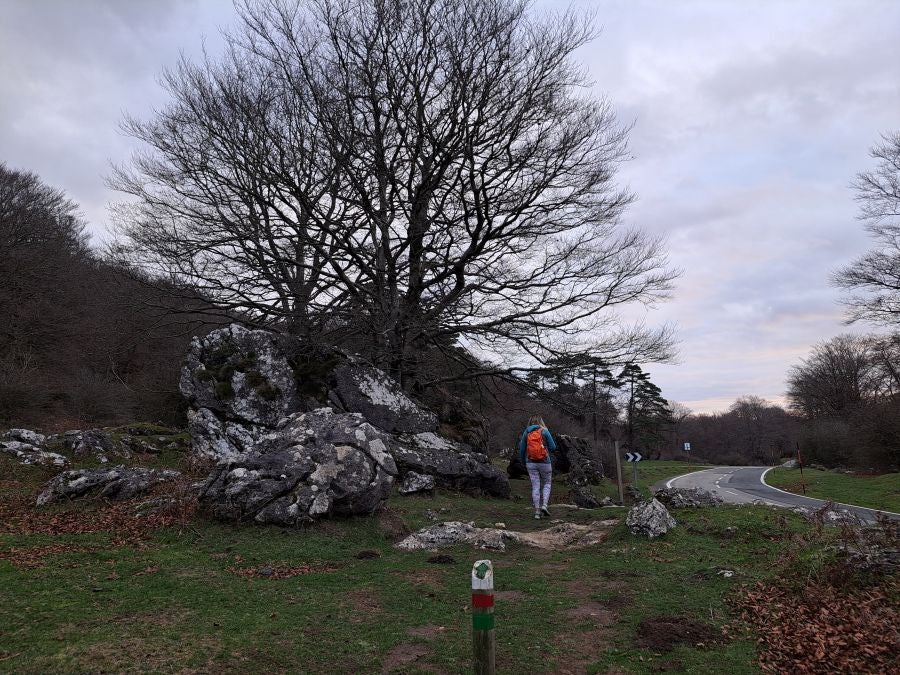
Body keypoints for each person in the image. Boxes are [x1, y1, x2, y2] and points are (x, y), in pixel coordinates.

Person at [518, 415, 557, 519]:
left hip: (530, 462)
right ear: (541, 421)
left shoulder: (526, 432)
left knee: (535, 486)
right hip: (545, 462)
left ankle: (537, 512)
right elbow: (553, 447)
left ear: (530, 421)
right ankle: (544, 505)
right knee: (547, 483)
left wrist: (523, 461)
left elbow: (522, 449)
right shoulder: (544, 431)